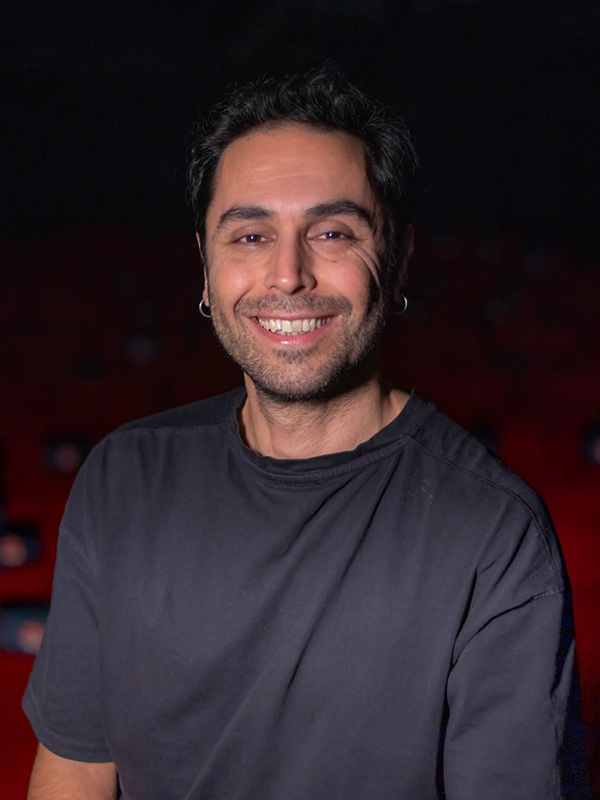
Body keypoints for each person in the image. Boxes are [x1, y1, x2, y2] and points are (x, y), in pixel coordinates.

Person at [23, 69, 588, 800]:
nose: (287, 275)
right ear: (206, 268)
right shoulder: (121, 478)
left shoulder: (494, 533)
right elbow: (74, 767)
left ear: (398, 258)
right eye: (251, 235)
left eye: (331, 233)